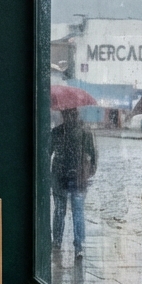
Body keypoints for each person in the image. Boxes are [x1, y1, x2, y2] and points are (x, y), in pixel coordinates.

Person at [49, 107, 97, 260]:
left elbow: (47, 153)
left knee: (60, 211)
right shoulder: (85, 132)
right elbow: (93, 156)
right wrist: (89, 172)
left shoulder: (56, 132)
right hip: (77, 176)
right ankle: (78, 246)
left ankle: (57, 242)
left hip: (60, 176)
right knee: (77, 212)